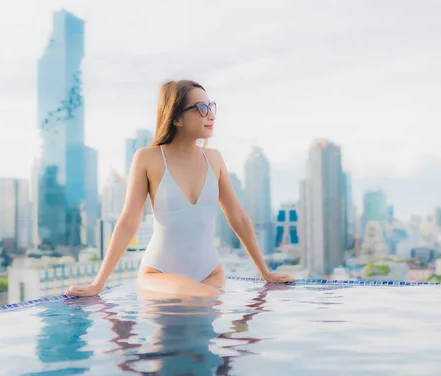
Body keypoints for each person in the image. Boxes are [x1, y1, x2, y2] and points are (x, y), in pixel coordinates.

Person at [66, 80, 294, 298]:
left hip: (211, 274)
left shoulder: (214, 159)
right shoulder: (148, 158)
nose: (211, 114)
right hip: (160, 274)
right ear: (176, 118)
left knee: (205, 325)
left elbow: (237, 217)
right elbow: (128, 223)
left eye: (211, 106)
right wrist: (98, 283)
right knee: (203, 299)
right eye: (201, 108)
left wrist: (265, 272)